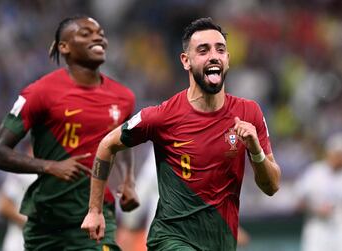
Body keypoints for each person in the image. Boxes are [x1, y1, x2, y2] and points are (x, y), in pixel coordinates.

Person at [81, 17, 281, 251]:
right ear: (186, 61)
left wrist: (255, 150)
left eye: (220, 49)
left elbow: (272, 186)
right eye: (203, 50)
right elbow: (107, 144)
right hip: (170, 240)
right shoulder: (162, 116)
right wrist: (95, 210)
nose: (213, 55)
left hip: (221, 242)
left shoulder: (249, 113)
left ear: (227, 59)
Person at [0, 15, 139, 251]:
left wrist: (128, 180)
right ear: (64, 47)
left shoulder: (124, 97)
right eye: (86, 33)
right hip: (48, 224)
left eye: (99, 32)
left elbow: (123, 140)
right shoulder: (40, 93)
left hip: (97, 217)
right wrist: (50, 166)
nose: (98, 36)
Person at [295, 132, 342, 251]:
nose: (339, 157)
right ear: (329, 153)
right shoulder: (314, 172)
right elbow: (298, 202)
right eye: (337, 153)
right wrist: (316, 209)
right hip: (317, 228)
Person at [0, 172, 36, 251]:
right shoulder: (21, 168)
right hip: (18, 242)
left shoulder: (59, 169)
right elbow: (4, 206)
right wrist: (32, 224)